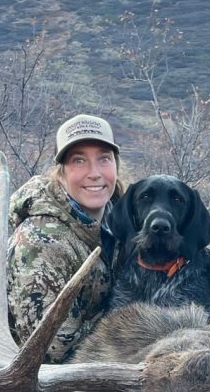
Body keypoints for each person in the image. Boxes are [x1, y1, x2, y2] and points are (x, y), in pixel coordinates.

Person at [7, 113, 124, 363]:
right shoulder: (39, 244)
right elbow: (52, 352)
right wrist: (134, 326)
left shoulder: (123, 221)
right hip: (53, 379)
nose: (94, 173)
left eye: (104, 158)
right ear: (60, 174)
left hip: (113, 358)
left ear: (116, 165)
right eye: (79, 160)